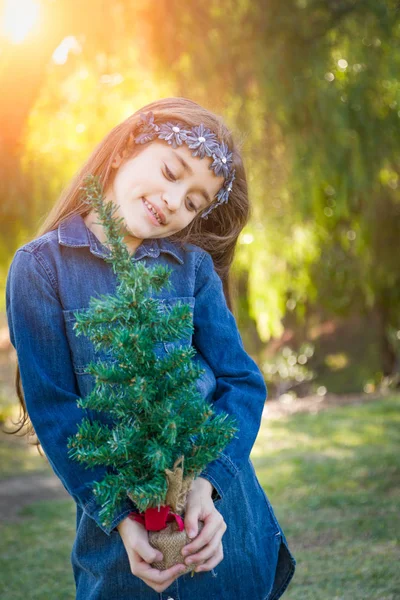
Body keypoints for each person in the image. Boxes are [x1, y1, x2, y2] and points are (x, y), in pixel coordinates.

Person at [5, 97, 296, 599]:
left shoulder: (192, 269)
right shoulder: (39, 270)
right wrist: (120, 517)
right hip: (126, 548)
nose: (173, 200)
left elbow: (241, 382)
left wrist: (208, 485)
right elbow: (56, 413)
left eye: (193, 202)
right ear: (123, 151)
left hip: (220, 526)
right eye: (170, 171)